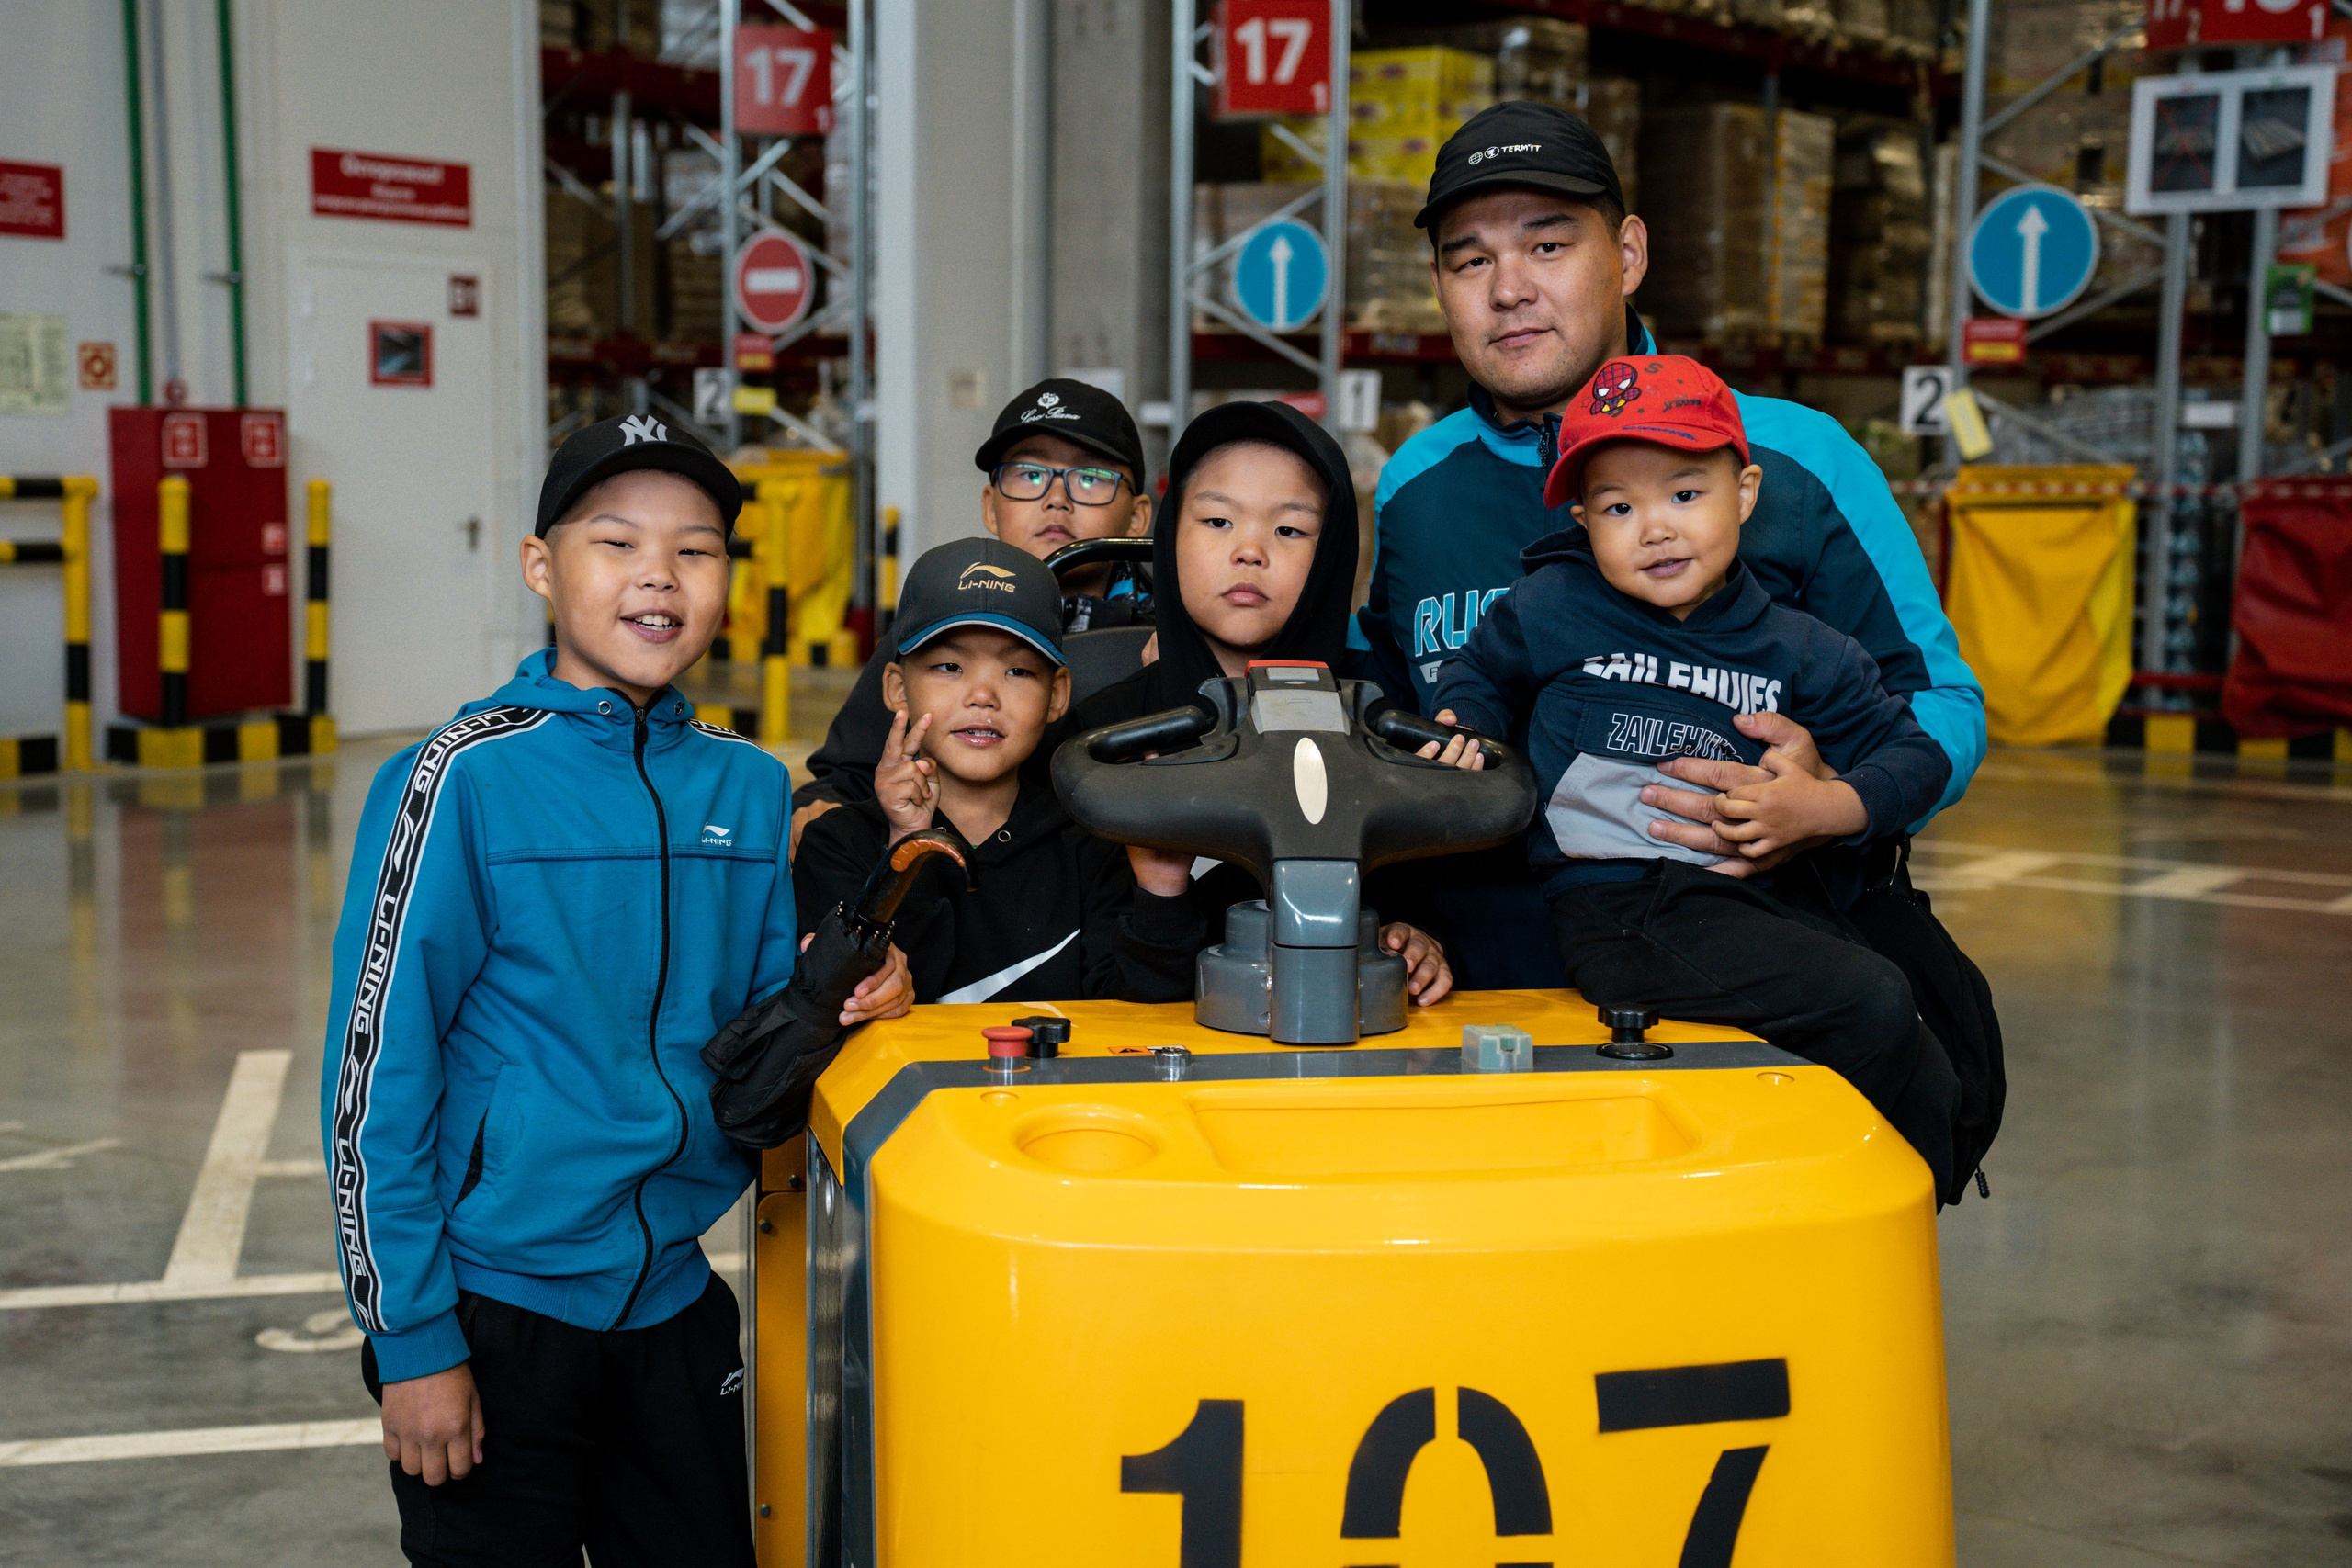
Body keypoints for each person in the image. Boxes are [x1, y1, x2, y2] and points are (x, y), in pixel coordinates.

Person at [319, 414, 910, 1566]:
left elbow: (753, 1036)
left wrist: (846, 990)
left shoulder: (743, 783)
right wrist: (413, 1340)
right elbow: (375, 1076)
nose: (659, 575)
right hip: (495, 1313)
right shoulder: (459, 779)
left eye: (696, 550)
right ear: (542, 567)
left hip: (675, 1306)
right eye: (617, 542)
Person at [1356, 99, 1987, 993]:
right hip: (1486, 993)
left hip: (1748, 980)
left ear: (1628, 255)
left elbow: (1944, 709)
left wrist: (1829, 795)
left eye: (1547, 245)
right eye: (1471, 260)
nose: (1508, 289)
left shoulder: (1796, 459)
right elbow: (1387, 717)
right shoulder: (1415, 485)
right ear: (1439, 284)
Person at [1430, 356, 1962, 1199]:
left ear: (1744, 494)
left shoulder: (1800, 647)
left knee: (1938, 1067)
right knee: (1871, 1000)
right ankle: (1783, 1203)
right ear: (1583, 520)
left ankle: (1861, 1221)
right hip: (1622, 908)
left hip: (1763, 899)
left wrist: (1827, 805)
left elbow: (1916, 755)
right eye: (1618, 507)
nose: (1655, 528)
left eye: (1684, 494)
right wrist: (1466, 723)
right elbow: (1478, 673)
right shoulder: (1552, 606)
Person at [1067, 400, 1464, 1007]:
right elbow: (1099, 990)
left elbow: (1414, 911)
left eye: (1289, 530)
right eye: (1218, 521)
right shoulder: (1102, 737)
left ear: (1332, 554)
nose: (1250, 550)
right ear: (1170, 536)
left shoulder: (1379, 723)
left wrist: (1417, 944)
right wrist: (1161, 891)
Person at [794, 538, 1206, 1003]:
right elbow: (849, 1008)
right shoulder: (837, 844)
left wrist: (1161, 889)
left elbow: (1141, 1017)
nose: (983, 696)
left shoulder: (1097, 846)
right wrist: (907, 844)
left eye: (1018, 672)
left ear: (1057, 695)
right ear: (897, 688)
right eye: (949, 666)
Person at [793, 378, 1153, 852]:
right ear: (991, 507)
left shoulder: (1163, 637)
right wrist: (822, 809)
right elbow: (849, 773)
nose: (1056, 499)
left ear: (1137, 518)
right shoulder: (936, 621)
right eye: (1029, 475)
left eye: (1090, 479)